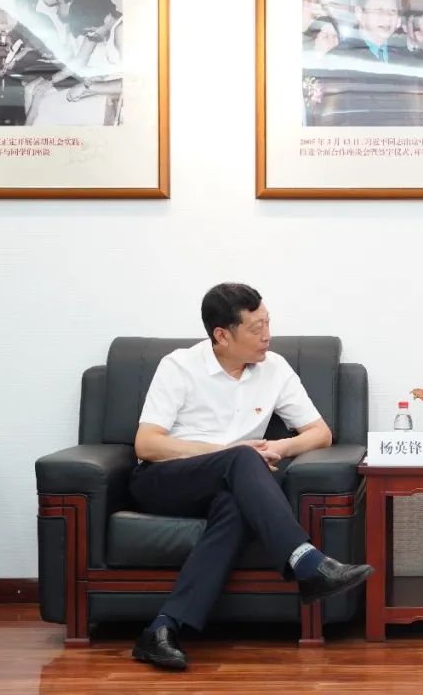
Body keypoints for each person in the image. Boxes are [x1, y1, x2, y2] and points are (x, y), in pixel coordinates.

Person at [129, 283, 373, 671]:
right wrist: (228, 452)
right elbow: (147, 444)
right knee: (242, 457)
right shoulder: (180, 366)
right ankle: (306, 562)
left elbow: (320, 433)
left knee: (236, 502)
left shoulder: (274, 368)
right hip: (165, 479)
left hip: (232, 482)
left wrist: (277, 447)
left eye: (268, 323)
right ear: (222, 335)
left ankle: (162, 628)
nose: (267, 336)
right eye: (256, 328)